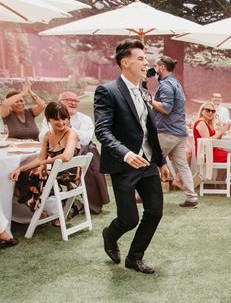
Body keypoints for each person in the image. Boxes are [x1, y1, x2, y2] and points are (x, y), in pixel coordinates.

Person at [94, 39, 169, 275]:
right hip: (123, 165)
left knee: (155, 211)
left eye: (145, 58)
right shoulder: (107, 91)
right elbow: (102, 131)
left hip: (147, 163)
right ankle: (110, 234)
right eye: (140, 58)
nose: (145, 61)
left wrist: (161, 162)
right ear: (125, 63)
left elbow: (150, 130)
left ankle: (134, 258)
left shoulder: (145, 92)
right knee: (128, 219)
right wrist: (126, 154)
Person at [9, 102, 79, 214]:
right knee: (23, 175)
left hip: (68, 179)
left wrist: (44, 163)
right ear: (48, 119)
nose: (61, 122)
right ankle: (42, 210)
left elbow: (66, 156)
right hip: (54, 175)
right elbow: (39, 159)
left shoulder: (71, 134)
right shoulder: (48, 135)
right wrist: (20, 169)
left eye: (64, 118)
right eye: (56, 119)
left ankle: (41, 209)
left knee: (33, 176)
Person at [150, 55, 197, 208]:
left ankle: (145, 196)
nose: (155, 69)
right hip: (179, 132)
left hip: (167, 132)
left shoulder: (166, 85)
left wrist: (149, 100)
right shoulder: (175, 83)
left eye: (156, 66)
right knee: (182, 165)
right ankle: (192, 198)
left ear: (162, 67)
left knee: (150, 161)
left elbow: (166, 108)